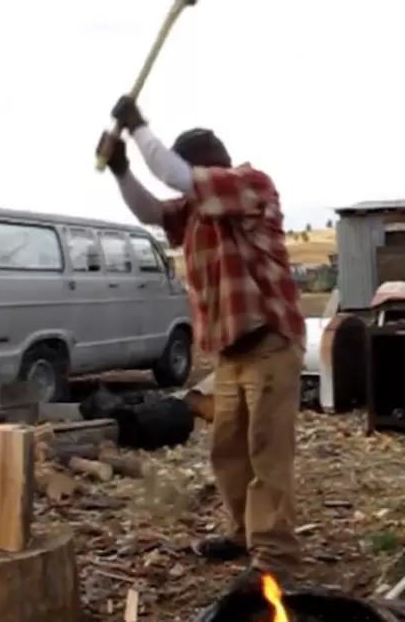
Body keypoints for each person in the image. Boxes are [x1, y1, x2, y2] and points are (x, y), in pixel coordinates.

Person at [104, 95, 306, 586]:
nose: (185, 181)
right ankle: (242, 535)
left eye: (189, 171)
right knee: (228, 450)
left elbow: (173, 175)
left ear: (210, 167)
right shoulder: (197, 210)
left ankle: (274, 557)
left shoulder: (250, 186)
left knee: (266, 451)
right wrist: (121, 169)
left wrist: (137, 128)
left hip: (270, 343)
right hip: (233, 352)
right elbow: (152, 210)